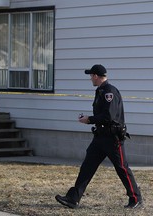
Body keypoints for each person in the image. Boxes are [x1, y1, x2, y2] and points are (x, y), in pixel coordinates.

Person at [55, 64, 143, 209]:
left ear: (96, 76)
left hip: (112, 138)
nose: (90, 78)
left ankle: (136, 199)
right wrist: (90, 119)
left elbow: (109, 116)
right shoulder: (101, 91)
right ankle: (73, 198)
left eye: (91, 76)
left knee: (122, 168)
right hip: (100, 137)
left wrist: (90, 119)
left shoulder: (109, 91)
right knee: (87, 167)